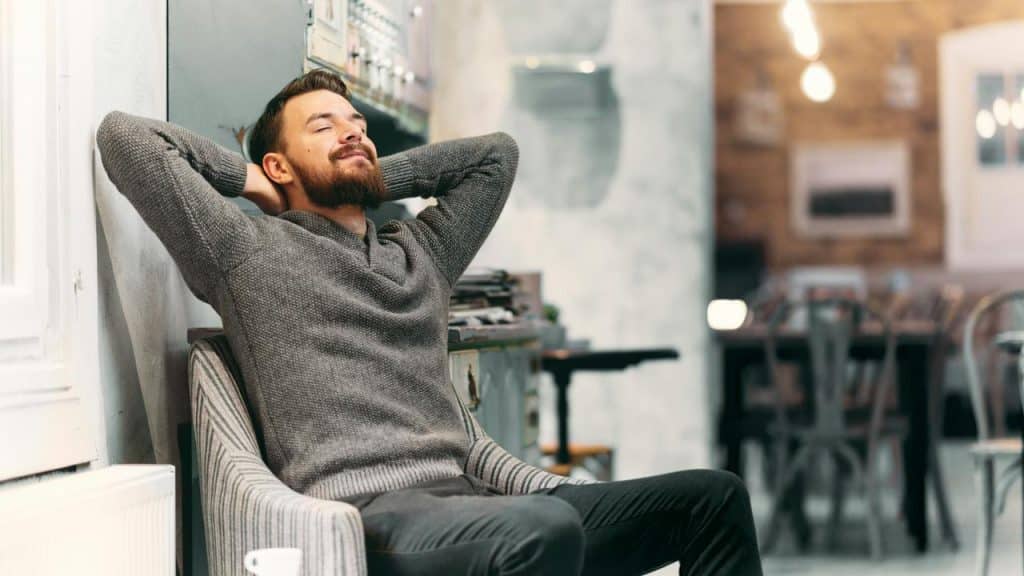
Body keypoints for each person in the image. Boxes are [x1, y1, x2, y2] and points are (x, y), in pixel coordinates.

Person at [97, 68, 762, 576]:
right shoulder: (246, 252)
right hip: (375, 516)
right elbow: (126, 139)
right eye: (323, 127)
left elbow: (495, 157)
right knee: (544, 530)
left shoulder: (421, 254)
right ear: (278, 164)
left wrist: (368, 174)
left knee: (713, 498)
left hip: (477, 498)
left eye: (357, 122)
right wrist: (251, 180)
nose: (353, 130)